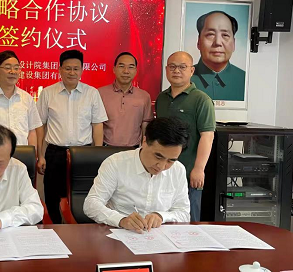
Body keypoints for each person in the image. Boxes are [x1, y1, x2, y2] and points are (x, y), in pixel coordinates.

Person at [37, 49, 108, 224]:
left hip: (83, 153)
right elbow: (40, 125)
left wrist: (96, 155)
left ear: (82, 70)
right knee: (51, 195)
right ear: (60, 69)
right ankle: (57, 227)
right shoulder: (48, 93)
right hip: (55, 152)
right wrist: (40, 155)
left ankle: (80, 229)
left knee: (83, 194)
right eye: (67, 68)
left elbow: (97, 125)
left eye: (76, 69)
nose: (72, 72)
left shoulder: (92, 93)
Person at [83, 117, 191, 231]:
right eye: (158, 156)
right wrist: (121, 220)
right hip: (119, 233)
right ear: (144, 142)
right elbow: (91, 204)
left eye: (171, 160)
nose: (162, 166)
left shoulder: (178, 170)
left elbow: (184, 213)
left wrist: (161, 216)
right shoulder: (115, 163)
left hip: (158, 235)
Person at [156, 51, 215, 222]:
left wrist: (199, 169)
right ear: (166, 69)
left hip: (189, 173)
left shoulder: (201, 100)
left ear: (192, 70)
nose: (176, 71)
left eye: (182, 67)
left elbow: (207, 136)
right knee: (163, 219)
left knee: (189, 221)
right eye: (172, 67)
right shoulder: (161, 98)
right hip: (162, 172)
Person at [98, 52, 153, 148]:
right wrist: (97, 149)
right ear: (114, 69)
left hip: (133, 149)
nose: (126, 71)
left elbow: (145, 124)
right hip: (106, 148)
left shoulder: (144, 96)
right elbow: (96, 124)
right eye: (121, 66)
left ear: (136, 70)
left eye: (131, 67)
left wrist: (144, 149)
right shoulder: (100, 93)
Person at [191, 11, 246, 101]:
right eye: (210, 35)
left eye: (225, 35)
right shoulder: (183, 79)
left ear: (234, 43)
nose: (217, 42)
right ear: (199, 42)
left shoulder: (246, 80)